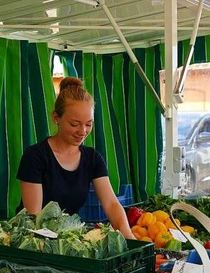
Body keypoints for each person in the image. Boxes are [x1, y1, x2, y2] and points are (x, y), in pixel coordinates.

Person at [17, 77, 134, 239]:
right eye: (74, 124)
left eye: (89, 124)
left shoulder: (93, 159)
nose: (83, 131)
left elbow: (112, 205)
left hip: (66, 237)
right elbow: (34, 217)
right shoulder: (35, 157)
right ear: (56, 118)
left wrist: (129, 237)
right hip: (34, 239)